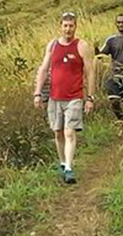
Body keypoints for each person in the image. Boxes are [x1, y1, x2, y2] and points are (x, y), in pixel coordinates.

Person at [33, 11, 96, 185]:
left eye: (71, 26)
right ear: (60, 26)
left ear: (76, 27)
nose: (68, 29)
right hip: (55, 97)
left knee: (69, 132)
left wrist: (90, 97)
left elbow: (90, 72)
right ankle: (62, 163)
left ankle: (69, 168)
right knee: (58, 132)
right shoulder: (52, 46)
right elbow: (44, 70)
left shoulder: (82, 46)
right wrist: (38, 93)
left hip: (74, 97)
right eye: (65, 26)